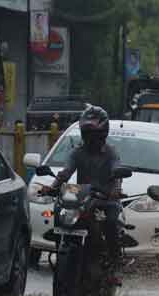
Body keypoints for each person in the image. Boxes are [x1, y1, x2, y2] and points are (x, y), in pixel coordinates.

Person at [41, 105, 123, 283]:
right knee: (59, 212)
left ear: (103, 134)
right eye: (87, 134)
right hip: (81, 197)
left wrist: (116, 190)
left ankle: (115, 264)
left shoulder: (111, 152)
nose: (90, 139)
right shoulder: (77, 152)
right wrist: (53, 186)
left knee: (111, 222)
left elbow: (117, 170)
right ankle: (64, 249)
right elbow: (65, 172)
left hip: (106, 199)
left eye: (94, 134)